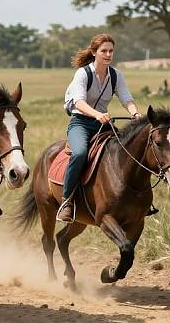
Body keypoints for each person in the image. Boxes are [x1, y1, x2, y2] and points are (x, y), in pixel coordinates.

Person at [58, 33, 141, 223]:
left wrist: (136, 113)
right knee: (79, 153)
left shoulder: (116, 75)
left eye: (111, 51)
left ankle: (137, 200)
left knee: (129, 151)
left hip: (103, 124)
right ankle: (67, 201)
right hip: (81, 123)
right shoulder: (82, 73)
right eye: (104, 51)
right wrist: (96, 114)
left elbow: (126, 99)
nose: (108, 54)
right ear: (94, 52)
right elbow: (78, 102)